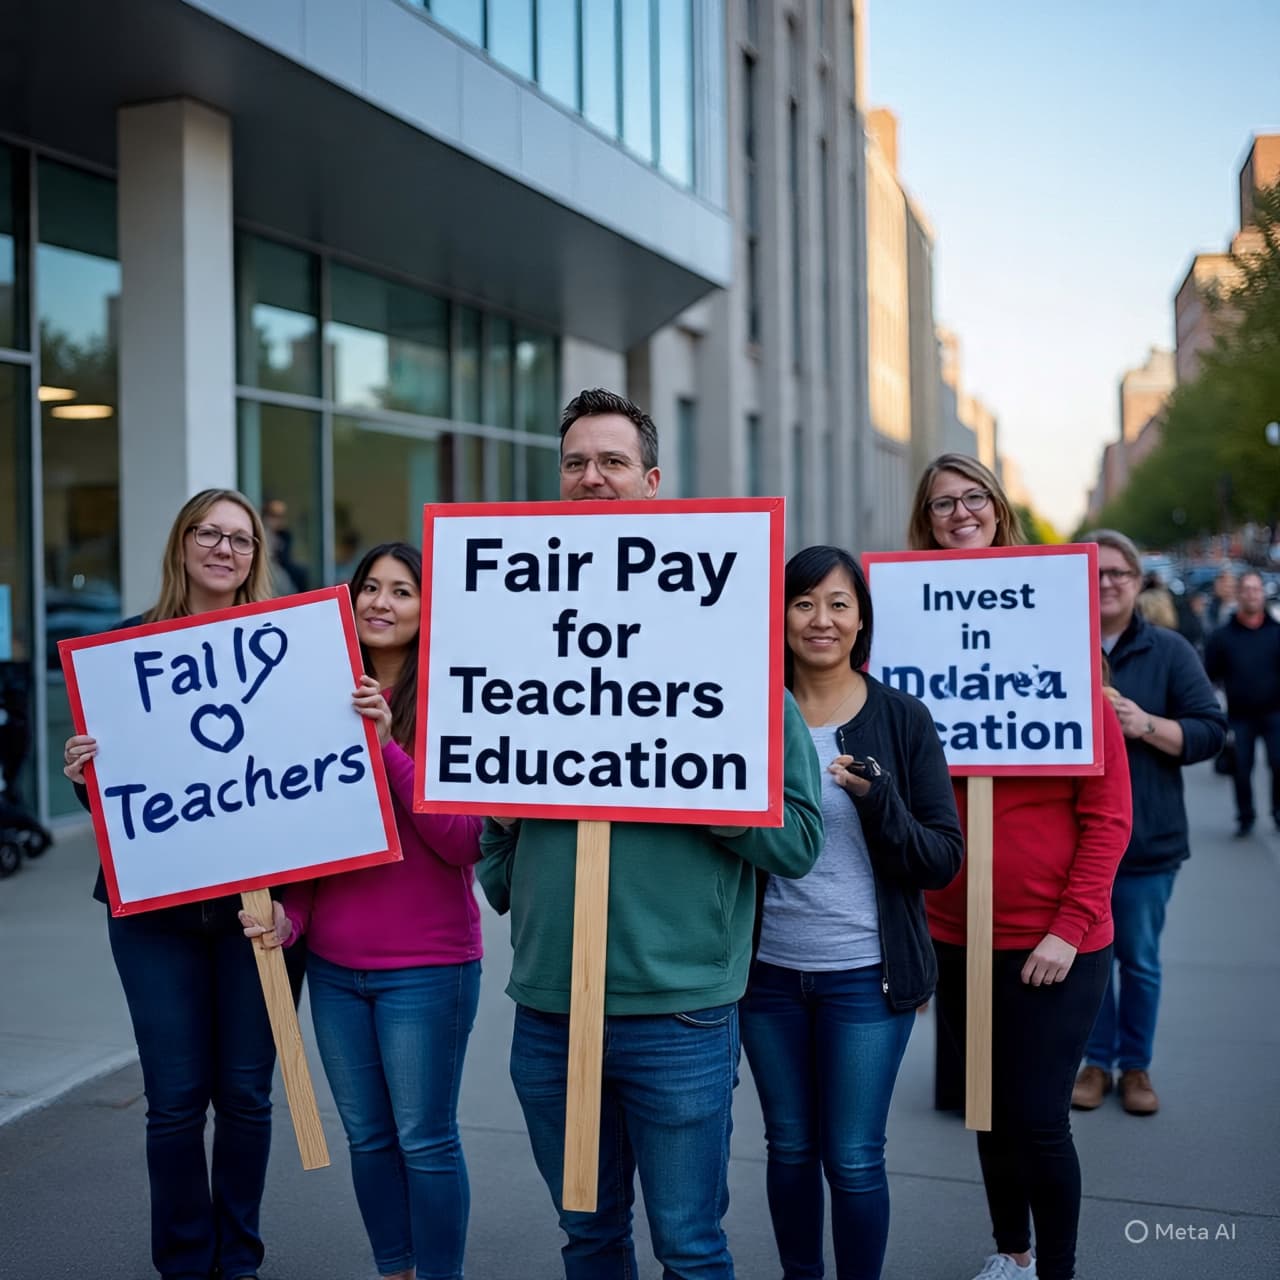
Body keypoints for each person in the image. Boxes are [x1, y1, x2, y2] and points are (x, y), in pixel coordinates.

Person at [476, 388, 825, 1280]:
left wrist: (697, 778)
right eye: (576, 464)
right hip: (550, 1006)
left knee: (690, 1247)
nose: (592, 477)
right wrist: (502, 829)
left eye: (613, 463)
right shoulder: (512, 659)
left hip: (678, 1008)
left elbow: (797, 844)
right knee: (588, 1239)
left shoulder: (738, 667)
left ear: (655, 483)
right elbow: (498, 875)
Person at [908, 456, 1134, 1280]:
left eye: (974, 499)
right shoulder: (907, 656)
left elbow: (1109, 817)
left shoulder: (1069, 654)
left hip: (1056, 943)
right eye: (942, 507)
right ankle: (1012, 1254)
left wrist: (1069, 930)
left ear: (1001, 512)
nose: (960, 514)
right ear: (925, 525)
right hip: (955, 932)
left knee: (1039, 1118)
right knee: (988, 1114)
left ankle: (1058, 1270)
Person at [243, 542, 483, 1280]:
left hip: (428, 968)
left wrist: (387, 749)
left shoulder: (457, 698)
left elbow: (462, 841)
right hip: (337, 968)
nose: (381, 602)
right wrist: (293, 921)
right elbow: (318, 837)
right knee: (369, 1137)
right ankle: (397, 1269)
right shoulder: (318, 697)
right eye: (369, 587)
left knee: (424, 1137)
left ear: (428, 607)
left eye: (402, 590)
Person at [61, 488, 284, 1280]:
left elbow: (317, 787)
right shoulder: (123, 652)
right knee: (176, 1100)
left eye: (241, 539)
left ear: (256, 554)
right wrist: (86, 776)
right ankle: (187, 1264)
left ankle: (240, 1260)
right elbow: (118, 802)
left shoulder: (285, 649)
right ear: (181, 542)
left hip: (254, 913)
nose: (225, 550)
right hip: (152, 916)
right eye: (209, 533)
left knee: (248, 1097)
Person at [740, 545, 963, 1280]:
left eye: (838, 604)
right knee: (790, 1146)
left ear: (862, 619)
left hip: (866, 978)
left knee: (856, 1156)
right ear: (780, 615)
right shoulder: (742, 707)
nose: (821, 620)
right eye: (804, 603)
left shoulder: (902, 718)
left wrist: (880, 802)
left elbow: (939, 857)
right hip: (765, 975)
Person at [1071, 530, 1226, 1117]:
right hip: (1075, 841)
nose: (1106, 582)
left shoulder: (1169, 650)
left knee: (1137, 957)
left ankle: (1135, 1066)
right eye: (1094, 572)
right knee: (1087, 959)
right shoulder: (1055, 643)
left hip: (1146, 840)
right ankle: (1096, 1061)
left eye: (1119, 572)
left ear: (1138, 581)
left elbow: (1209, 732)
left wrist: (1145, 725)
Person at [1205, 570, 1280, 836]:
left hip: (1274, 712)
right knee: (1241, 767)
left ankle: (1278, 812)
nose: (1251, 594)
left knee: (1278, 762)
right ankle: (1245, 816)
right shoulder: (1223, 636)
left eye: (1256, 589)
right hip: (1239, 715)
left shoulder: (1276, 632)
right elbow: (1209, 676)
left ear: (1263, 594)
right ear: (1238, 594)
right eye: (1246, 589)